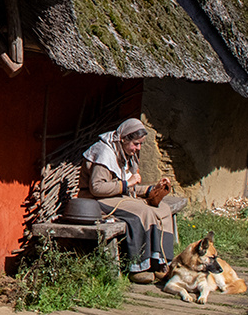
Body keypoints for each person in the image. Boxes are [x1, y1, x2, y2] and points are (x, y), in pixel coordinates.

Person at [78, 117, 187, 283]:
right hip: (95, 200)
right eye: (136, 144)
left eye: (141, 144)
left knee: (163, 209)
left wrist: (154, 189)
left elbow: (129, 186)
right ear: (123, 139)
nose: (138, 148)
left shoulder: (123, 152)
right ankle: (139, 266)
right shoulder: (105, 153)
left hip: (116, 196)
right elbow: (97, 188)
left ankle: (161, 262)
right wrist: (127, 183)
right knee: (143, 212)